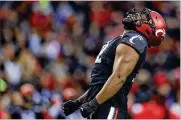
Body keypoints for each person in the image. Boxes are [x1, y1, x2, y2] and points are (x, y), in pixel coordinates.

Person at [63, 8, 166, 119]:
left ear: (151, 29)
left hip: (110, 106)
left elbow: (119, 77)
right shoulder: (121, 40)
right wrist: (78, 102)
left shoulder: (135, 40)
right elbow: (100, 83)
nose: (137, 16)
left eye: (145, 18)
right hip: (103, 104)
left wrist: (94, 103)